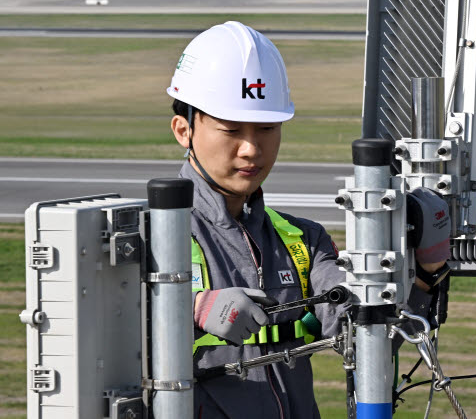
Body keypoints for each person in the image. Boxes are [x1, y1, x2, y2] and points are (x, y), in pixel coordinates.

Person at [166, 21, 450, 417]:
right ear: (184, 130)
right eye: (231, 130)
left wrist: (425, 274)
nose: (251, 149)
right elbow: (102, 341)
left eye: (266, 128)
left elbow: (371, 341)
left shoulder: (302, 240)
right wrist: (190, 311)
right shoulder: (149, 237)